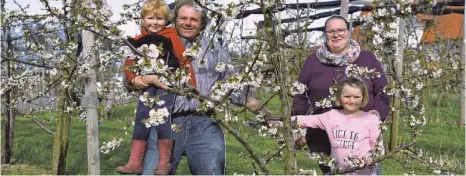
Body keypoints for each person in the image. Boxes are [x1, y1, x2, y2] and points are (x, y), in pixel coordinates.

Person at [138, 0, 270, 175]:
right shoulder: (158, 44)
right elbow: (130, 79)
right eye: (183, 18)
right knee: (151, 172)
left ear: (202, 23)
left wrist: (269, 117)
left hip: (203, 122)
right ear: (175, 19)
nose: (187, 23)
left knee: (212, 171)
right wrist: (145, 79)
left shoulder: (215, 50)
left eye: (194, 19)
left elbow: (237, 89)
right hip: (164, 122)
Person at [292, 15, 390, 174]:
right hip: (322, 138)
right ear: (325, 34)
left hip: (362, 140)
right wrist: (299, 129)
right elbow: (300, 95)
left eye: (340, 30)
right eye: (330, 31)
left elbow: (383, 91)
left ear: (348, 32)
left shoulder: (367, 58)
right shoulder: (313, 61)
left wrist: (378, 114)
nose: (336, 34)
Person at [117, 0, 196, 174]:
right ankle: (135, 162)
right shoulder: (137, 40)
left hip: (166, 84)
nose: (155, 22)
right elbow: (129, 63)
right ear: (143, 19)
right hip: (146, 86)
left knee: (163, 118)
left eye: (159, 19)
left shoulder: (171, 36)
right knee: (142, 118)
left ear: (166, 20)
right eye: (150, 18)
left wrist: (190, 83)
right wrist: (133, 79)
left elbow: (184, 60)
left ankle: (164, 162)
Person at [292, 76, 382, 175]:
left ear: (363, 98)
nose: (351, 101)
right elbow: (305, 120)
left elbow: (378, 148)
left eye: (356, 97)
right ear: (339, 97)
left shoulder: (371, 120)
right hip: (338, 172)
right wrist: (279, 122)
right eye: (347, 96)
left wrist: (370, 157)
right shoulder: (332, 116)